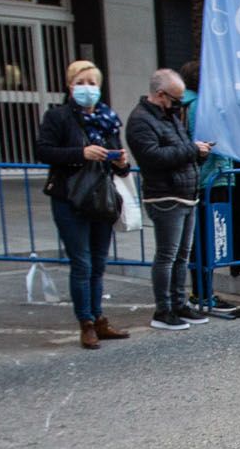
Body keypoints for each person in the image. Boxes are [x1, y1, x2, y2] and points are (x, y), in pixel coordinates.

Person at [36, 59, 132, 349]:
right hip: (70, 198)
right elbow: (44, 151)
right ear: (69, 85)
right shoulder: (59, 117)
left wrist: (123, 162)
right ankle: (86, 322)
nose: (87, 88)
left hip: (100, 198)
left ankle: (99, 317)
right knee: (81, 262)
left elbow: (119, 166)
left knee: (98, 263)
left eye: (92, 83)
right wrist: (81, 153)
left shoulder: (108, 119)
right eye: (81, 82)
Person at [126, 68, 213, 332]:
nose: (179, 104)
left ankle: (179, 303)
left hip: (186, 193)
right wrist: (191, 150)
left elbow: (180, 150)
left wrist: (199, 152)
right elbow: (153, 157)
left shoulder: (170, 116)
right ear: (160, 95)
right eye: (175, 99)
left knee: (182, 256)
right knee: (167, 255)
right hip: (165, 195)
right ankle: (163, 309)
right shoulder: (141, 120)